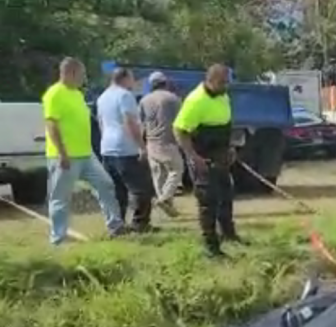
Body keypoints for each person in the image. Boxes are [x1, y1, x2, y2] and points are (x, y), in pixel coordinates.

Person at [42, 57, 125, 245]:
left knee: (105, 184)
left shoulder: (77, 94)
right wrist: (62, 153)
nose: (83, 78)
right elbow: (51, 125)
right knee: (61, 198)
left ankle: (116, 226)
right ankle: (58, 240)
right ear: (70, 73)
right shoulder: (54, 94)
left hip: (86, 154)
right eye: (82, 74)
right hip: (64, 156)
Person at [173, 64, 243, 258]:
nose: (225, 86)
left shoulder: (223, 96)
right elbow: (179, 130)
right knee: (208, 200)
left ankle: (229, 234)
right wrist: (193, 157)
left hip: (221, 154)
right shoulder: (196, 100)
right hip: (202, 156)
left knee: (226, 195)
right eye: (222, 82)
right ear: (210, 81)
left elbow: (226, 124)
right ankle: (211, 246)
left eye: (227, 82)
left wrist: (230, 148)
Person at [97, 67, 157, 233]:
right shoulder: (125, 95)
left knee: (117, 190)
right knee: (142, 188)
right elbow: (129, 122)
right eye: (132, 78)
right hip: (125, 148)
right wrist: (141, 147)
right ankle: (140, 223)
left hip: (107, 147)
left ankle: (118, 224)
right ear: (124, 78)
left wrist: (105, 141)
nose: (133, 81)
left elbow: (101, 123)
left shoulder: (102, 97)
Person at [139, 71, 184, 217]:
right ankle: (164, 199)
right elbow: (181, 120)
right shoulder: (173, 99)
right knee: (176, 170)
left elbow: (142, 124)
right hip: (167, 141)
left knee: (159, 175)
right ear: (165, 83)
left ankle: (167, 207)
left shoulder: (144, 100)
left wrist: (141, 145)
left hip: (151, 142)